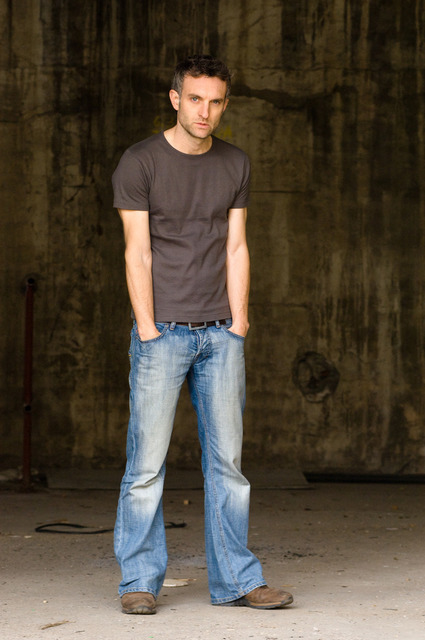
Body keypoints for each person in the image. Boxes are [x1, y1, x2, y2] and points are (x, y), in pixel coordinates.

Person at [112, 54, 294, 615]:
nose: (204, 111)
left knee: (228, 467)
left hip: (220, 335)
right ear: (175, 99)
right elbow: (137, 251)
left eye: (215, 102)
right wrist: (147, 328)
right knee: (146, 468)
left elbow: (236, 246)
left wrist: (239, 322)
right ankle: (139, 581)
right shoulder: (140, 162)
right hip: (162, 333)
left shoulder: (235, 163)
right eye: (195, 99)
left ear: (225, 105)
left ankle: (237, 580)